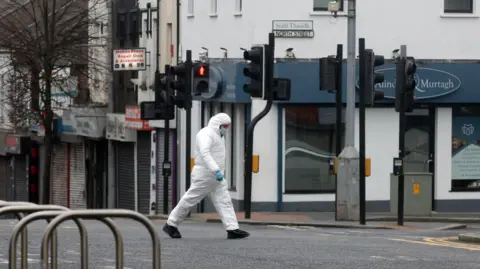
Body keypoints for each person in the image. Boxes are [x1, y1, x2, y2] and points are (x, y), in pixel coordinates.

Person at [163, 113, 250, 240]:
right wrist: (216, 170)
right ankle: (171, 223)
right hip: (205, 174)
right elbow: (205, 153)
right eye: (224, 126)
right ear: (218, 124)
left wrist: (217, 172)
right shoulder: (206, 134)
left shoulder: (218, 135)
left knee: (224, 200)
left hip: (215, 176)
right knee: (191, 199)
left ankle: (232, 228)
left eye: (227, 126)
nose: (226, 128)